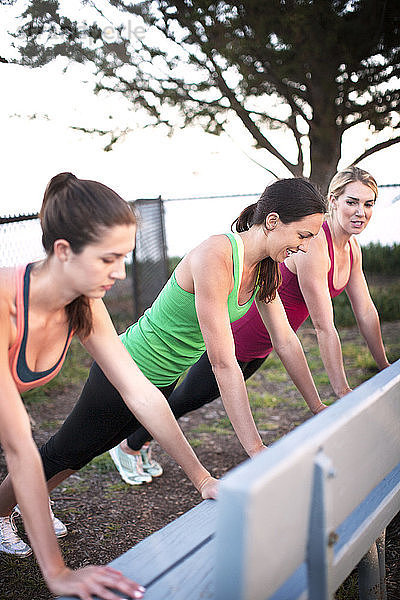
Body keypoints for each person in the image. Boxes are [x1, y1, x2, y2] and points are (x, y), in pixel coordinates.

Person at [13, 177, 327, 502]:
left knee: (84, 453)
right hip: (127, 367)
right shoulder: (217, 255)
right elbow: (222, 362)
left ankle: (31, 501)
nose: (304, 246)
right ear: (273, 221)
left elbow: (286, 341)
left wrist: (319, 407)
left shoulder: (265, 268)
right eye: (303, 235)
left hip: (163, 379)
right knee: (64, 450)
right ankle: (6, 509)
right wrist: (256, 448)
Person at [0, 172, 217, 600]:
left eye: (125, 258)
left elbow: (141, 393)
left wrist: (203, 479)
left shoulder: (84, 302)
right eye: (108, 259)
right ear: (63, 251)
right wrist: (58, 573)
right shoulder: (6, 305)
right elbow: (20, 448)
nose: (120, 272)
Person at [123, 166, 390, 481]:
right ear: (334, 201)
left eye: (368, 204)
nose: (360, 211)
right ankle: (131, 443)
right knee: (189, 396)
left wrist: (375, 374)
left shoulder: (340, 250)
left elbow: (357, 315)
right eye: (352, 202)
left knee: (196, 396)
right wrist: (338, 391)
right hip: (243, 334)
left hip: (266, 342)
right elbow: (324, 327)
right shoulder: (309, 246)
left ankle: (139, 436)